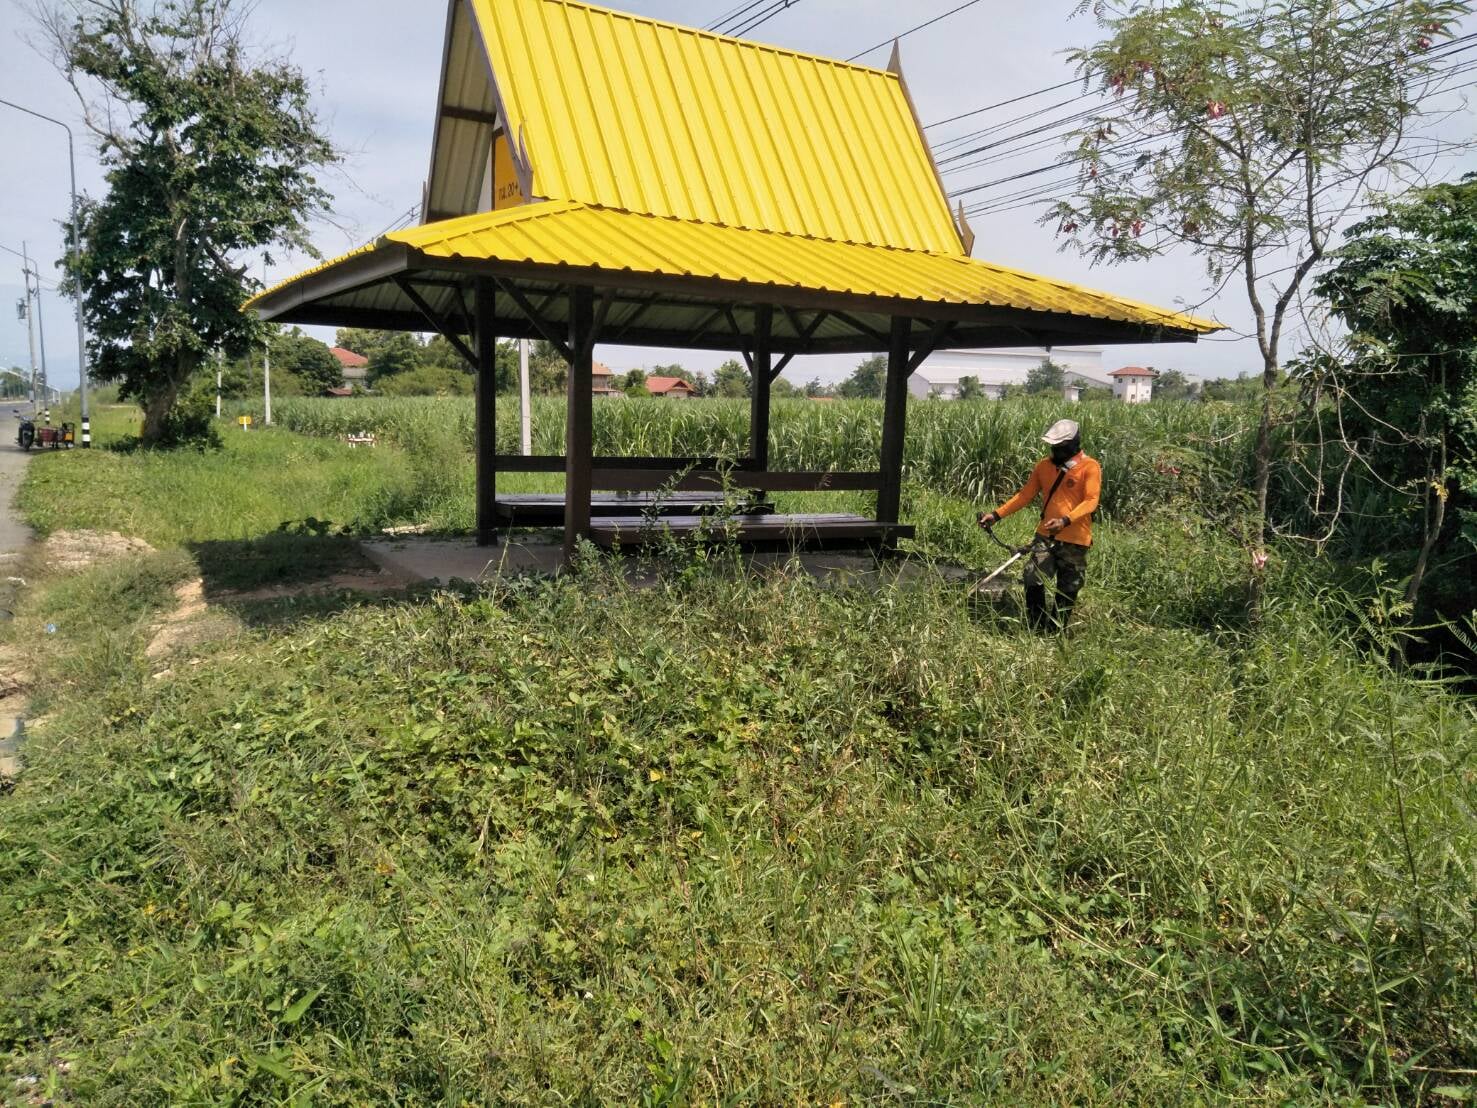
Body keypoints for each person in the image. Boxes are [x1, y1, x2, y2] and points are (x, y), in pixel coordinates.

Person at [978, 418, 1102, 631]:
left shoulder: (1090, 467)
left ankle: (1055, 630)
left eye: (1059, 446)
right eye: (1053, 446)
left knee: (1068, 586)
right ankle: (1036, 625)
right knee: (1032, 576)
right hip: (1045, 536)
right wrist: (997, 515)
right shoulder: (1044, 466)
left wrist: (1065, 520)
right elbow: (1024, 495)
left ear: (1072, 445)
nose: (1054, 451)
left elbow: (1091, 501)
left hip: (1075, 540)